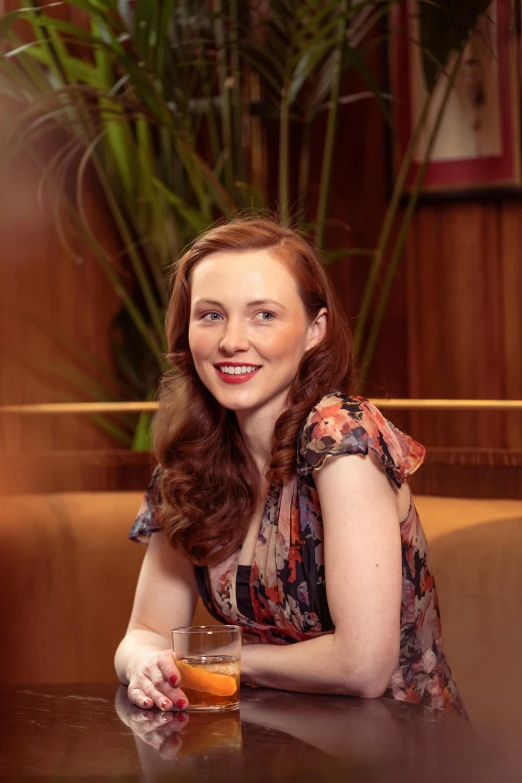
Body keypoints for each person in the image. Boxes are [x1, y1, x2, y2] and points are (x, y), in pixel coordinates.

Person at [114, 217, 466, 718]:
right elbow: (143, 632)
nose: (232, 340)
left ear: (314, 331)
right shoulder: (191, 457)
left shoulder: (341, 430)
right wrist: (147, 663)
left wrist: (221, 662)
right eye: (211, 315)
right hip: (261, 748)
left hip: (393, 749)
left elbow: (363, 667)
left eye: (263, 316)